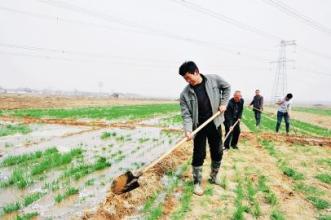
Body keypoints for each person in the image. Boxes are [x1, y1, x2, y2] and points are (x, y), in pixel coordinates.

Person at [179, 61, 231, 196]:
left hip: (215, 123)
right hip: (199, 127)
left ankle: (214, 177)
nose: (187, 81)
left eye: (188, 77)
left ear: (196, 72)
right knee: (198, 154)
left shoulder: (213, 79)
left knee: (218, 151)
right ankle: (196, 183)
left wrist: (223, 103)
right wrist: (188, 130)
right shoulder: (185, 94)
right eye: (185, 79)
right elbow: (186, 115)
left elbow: (227, 87)